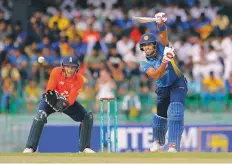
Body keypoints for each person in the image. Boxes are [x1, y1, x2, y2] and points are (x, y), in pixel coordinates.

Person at [23, 55, 95, 153]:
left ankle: (84, 148)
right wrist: (54, 100)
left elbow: (71, 99)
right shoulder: (56, 71)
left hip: (66, 103)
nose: (70, 70)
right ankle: (30, 147)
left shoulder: (79, 79)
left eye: (72, 67)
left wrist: (63, 104)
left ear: (76, 68)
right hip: (51, 101)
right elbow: (50, 90)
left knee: (87, 116)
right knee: (40, 116)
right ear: (63, 66)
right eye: (68, 67)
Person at [139, 12, 188, 152]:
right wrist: (165, 61)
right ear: (142, 48)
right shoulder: (144, 63)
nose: (148, 48)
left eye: (150, 45)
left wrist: (160, 23)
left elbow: (163, 35)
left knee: (176, 110)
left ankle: (173, 145)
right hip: (162, 88)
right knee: (160, 116)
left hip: (178, 83)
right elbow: (156, 75)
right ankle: (158, 142)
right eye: (145, 46)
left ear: (155, 45)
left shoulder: (163, 47)